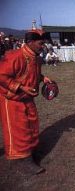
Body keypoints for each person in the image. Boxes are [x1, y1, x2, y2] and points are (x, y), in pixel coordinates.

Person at [0, 29, 53, 175]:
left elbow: (31, 72)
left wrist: (43, 78)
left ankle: (30, 153)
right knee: (19, 129)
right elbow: (2, 75)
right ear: (30, 42)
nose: (43, 46)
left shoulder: (34, 57)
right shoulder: (15, 56)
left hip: (27, 98)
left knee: (31, 125)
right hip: (12, 99)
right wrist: (21, 87)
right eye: (40, 43)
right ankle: (22, 160)